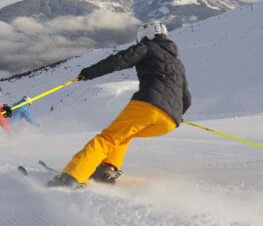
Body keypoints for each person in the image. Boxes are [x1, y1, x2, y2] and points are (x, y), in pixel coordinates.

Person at [48, 21, 191, 188]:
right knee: (123, 135)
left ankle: (71, 178)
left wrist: (88, 73)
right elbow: (186, 98)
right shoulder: (178, 63)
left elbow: (119, 60)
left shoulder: (148, 47)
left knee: (106, 139)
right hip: (168, 122)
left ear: (146, 35)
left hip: (148, 106)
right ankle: (106, 169)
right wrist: (176, 114)